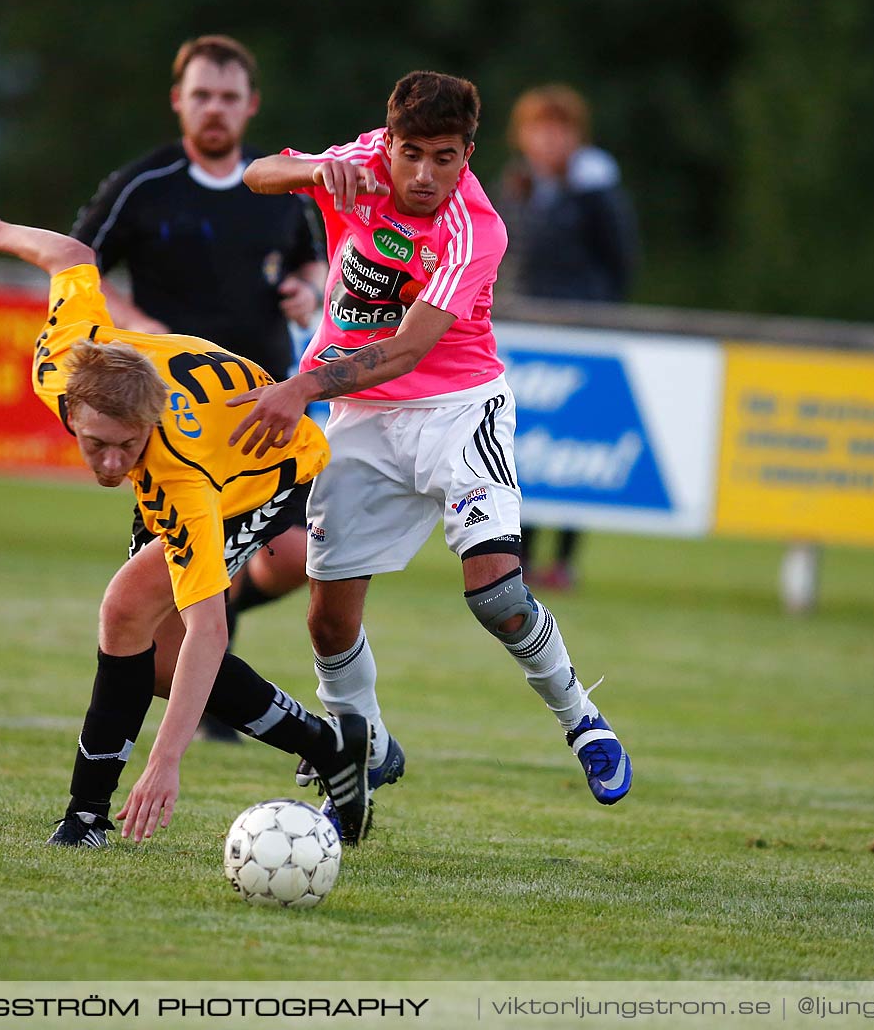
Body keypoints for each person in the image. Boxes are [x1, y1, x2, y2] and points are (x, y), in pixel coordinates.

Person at [229, 70, 633, 815]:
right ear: (391, 142)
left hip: (457, 409)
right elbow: (255, 174)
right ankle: (367, 750)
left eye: (443, 157)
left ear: (469, 153)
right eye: (411, 154)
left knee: (500, 595)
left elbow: (408, 350)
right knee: (326, 618)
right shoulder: (366, 159)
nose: (422, 175)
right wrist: (319, 168)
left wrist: (299, 389)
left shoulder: (477, 228)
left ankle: (581, 721)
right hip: (359, 418)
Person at [0, 195, 372, 847]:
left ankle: (85, 816)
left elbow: (211, 629)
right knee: (159, 663)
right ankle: (333, 748)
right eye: (95, 444)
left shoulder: (180, 477)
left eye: (126, 445)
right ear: (72, 411)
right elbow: (72, 255)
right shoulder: (63, 364)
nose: (111, 461)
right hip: (205, 433)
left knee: (125, 611)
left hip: (261, 468)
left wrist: (166, 761)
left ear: (149, 425)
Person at [70, 34, 327, 735]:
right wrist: (137, 324)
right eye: (202, 95)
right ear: (179, 101)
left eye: (229, 97)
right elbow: (76, 268)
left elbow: (314, 263)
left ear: (251, 107)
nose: (215, 109)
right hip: (175, 420)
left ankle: (222, 615)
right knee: (158, 607)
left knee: (298, 559)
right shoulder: (142, 185)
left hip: (262, 408)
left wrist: (309, 292)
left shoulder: (276, 187)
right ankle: (214, 690)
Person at [494, 85, 639, 591]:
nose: (548, 139)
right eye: (538, 128)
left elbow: (620, 260)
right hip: (525, 326)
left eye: (558, 128)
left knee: (577, 439)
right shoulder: (517, 184)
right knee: (525, 445)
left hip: (583, 330)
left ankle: (565, 560)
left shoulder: (596, 190)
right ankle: (523, 556)